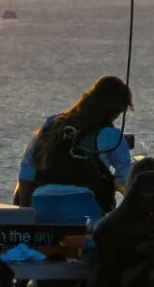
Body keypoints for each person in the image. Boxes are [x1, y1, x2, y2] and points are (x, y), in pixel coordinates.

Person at [13, 75, 135, 213]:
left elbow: (26, 173)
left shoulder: (53, 124)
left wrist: (25, 213)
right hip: (85, 211)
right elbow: (126, 179)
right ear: (114, 111)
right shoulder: (112, 136)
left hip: (42, 208)